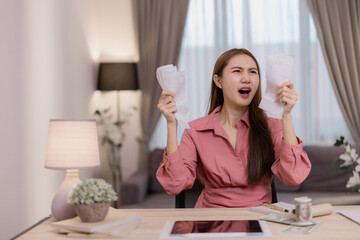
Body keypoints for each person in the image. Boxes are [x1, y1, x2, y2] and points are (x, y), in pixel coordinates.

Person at [156, 48, 311, 208]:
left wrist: (286, 116)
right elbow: (176, 184)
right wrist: (171, 124)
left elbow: (293, 177)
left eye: (253, 72)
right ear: (218, 81)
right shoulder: (195, 130)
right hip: (210, 222)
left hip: (259, 222)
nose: (246, 79)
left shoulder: (272, 126)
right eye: (237, 71)